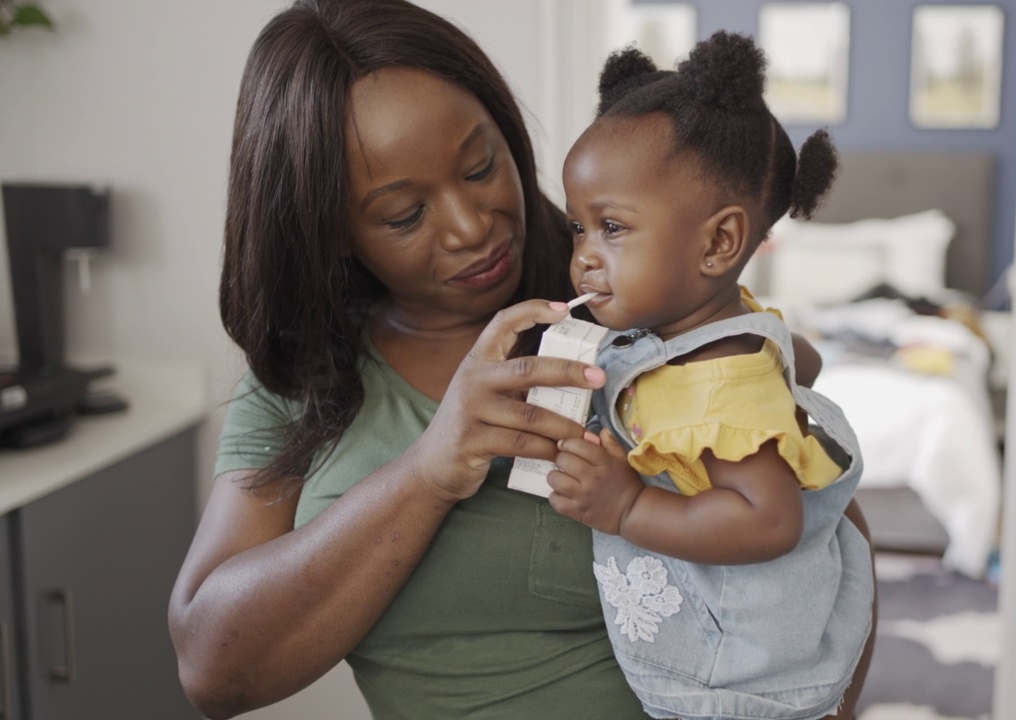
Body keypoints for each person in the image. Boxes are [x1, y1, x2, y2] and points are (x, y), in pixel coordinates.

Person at [168, 2, 875, 719]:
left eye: (480, 168)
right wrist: (429, 470)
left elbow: (828, 539)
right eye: (404, 215)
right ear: (331, 232)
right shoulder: (303, 377)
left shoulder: (645, 316)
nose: (473, 227)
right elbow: (212, 672)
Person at [544, 34, 874, 720]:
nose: (583, 258)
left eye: (612, 228)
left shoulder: (716, 384)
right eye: (578, 227)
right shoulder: (699, 335)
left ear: (719, 243)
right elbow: (795, 356)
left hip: (736, 686)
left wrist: (627, 507)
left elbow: (769, 518)